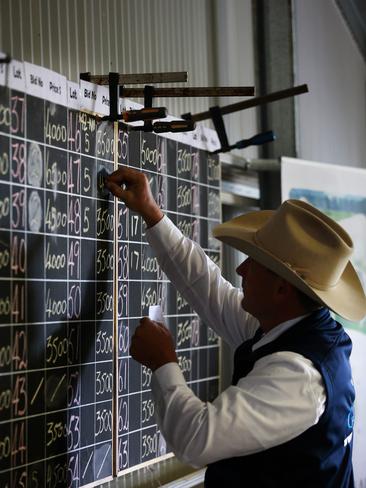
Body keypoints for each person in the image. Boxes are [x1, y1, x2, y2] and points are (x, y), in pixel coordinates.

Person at [105, 167, 366, 487]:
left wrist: (163, 362)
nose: (240, 269)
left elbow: (195, 439)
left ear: (281, 290)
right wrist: (151, 212)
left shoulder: (298, 377)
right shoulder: (292, 326)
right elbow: (208, 287)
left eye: (252, 263)